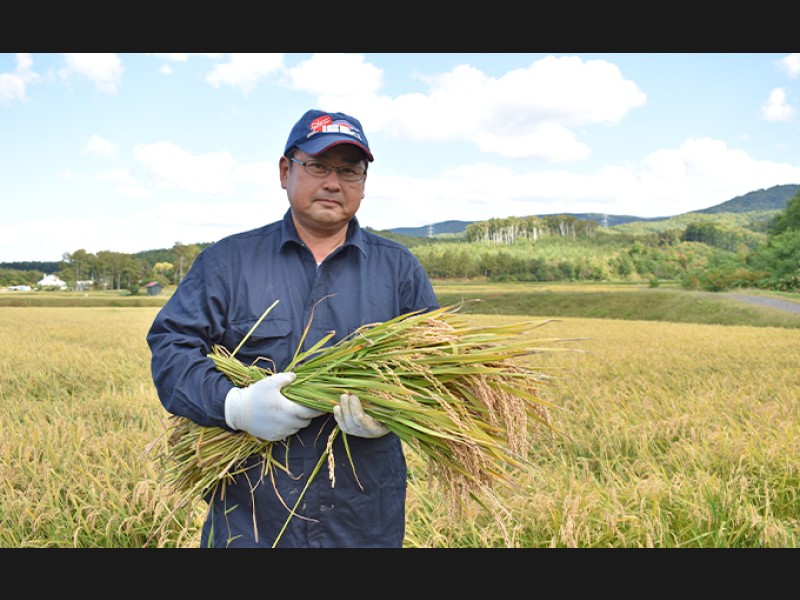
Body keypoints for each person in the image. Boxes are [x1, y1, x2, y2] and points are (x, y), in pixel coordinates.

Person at [146, 109, 439, 548]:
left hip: (363, 521)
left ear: (363, 183)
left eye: (349, 170)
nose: (333, 182)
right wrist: (234, 406)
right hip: (250, 519)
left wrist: (392, 411)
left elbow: (435, 372)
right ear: (286, 171)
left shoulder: (399, 270)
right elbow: (172, 349)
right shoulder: (229, 262)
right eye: (318, 166)